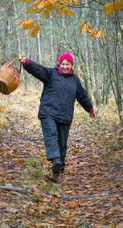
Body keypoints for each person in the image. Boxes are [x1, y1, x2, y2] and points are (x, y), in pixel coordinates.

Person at [19, 52, 95, 182]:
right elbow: (38, 70)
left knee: (62, 144)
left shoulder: (75, 80)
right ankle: (56, 160)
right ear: (59, 64)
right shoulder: (52, 74)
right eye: (63, 64)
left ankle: (57, 170)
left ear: (72, 66)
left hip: (65, 116)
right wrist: (27, 63)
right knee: (52, 135)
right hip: (48, 112)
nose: (65, 66)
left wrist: (90, 108)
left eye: (68, 64)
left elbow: (82, 95)